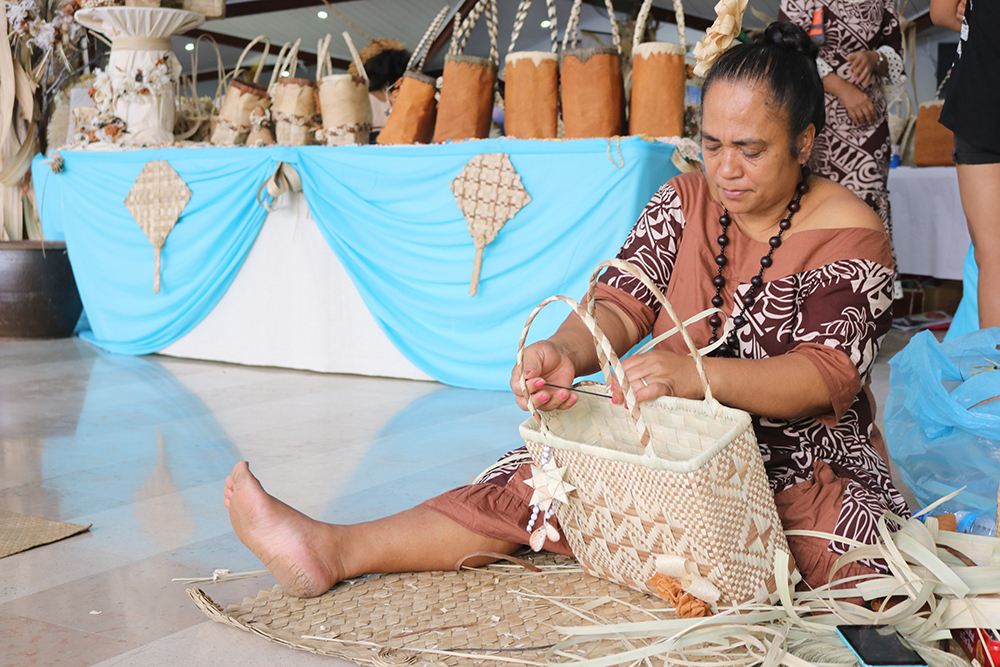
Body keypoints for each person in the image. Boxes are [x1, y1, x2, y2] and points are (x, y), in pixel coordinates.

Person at [224, 22, 909, 599]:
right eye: (713, 145)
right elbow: (619, 302)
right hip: (669, 443)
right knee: (535, 484)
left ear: (806, 143)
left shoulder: (851, 233)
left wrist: (694, 378)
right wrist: (566, 350)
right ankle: (333, 549)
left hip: (796, 462)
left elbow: (827, 376)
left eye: (750, 149)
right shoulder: (684, 199)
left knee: (844, 554)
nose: (725, 168)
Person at [779, 0, 906, 279]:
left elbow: (895, 52)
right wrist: (842, 89)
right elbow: (786, 45)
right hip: (812, 119)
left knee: (866, 201)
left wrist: (875, 58)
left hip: (867, 124)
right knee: (809, 197)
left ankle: (866, 284)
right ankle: (807, 280)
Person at [931, 0, 1000, 329]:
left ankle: (994, 375)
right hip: (982, 94)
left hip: (983, 91)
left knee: (995, 261)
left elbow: (941, 13)